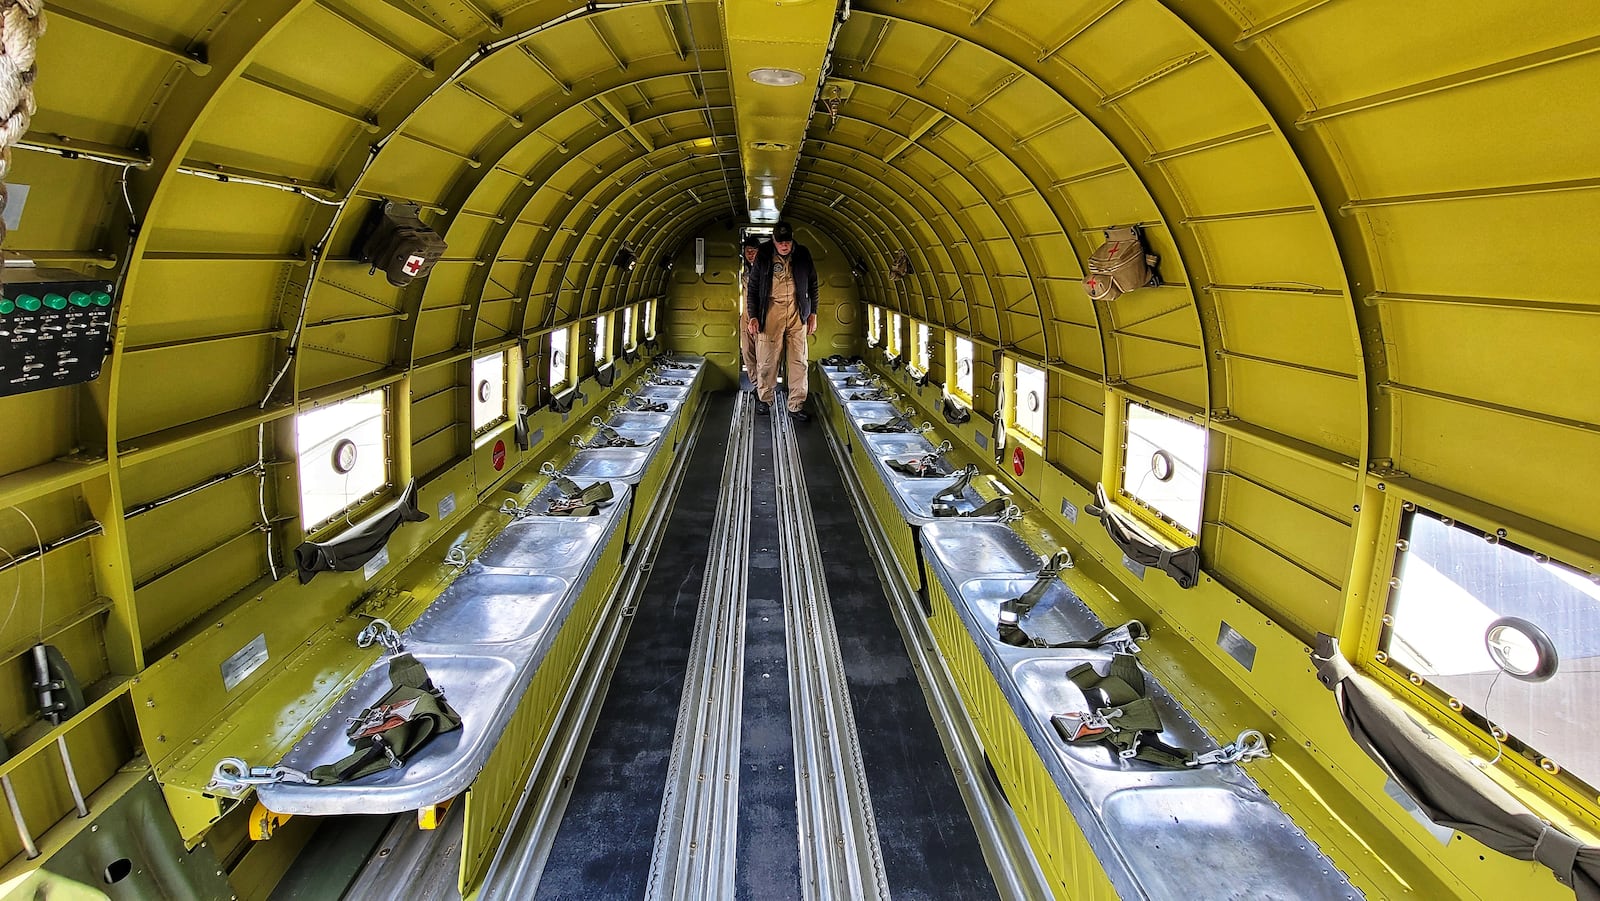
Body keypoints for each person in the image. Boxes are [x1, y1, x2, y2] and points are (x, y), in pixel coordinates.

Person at [746, 221, 818, 420]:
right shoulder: (764, 255)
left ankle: (796, 404)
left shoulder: (803, 254)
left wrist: (813, 313)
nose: (784, 246)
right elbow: (752, 289)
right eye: (780, 242)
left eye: (787, 242)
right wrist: (753, 316)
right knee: (767, 359)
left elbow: (813, 284)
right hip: (771, 310)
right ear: (774, 240)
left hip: (797, 310)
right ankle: (764, 399)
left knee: (799, 360)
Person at [737, 234, 761, 392]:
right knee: (747, 350)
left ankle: (765, 387)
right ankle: (756, 384)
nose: (750, 253)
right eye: (748, 250)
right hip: (746, 315)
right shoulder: (741, 270)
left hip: (763, 315)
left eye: (753, 250)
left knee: (764, 353)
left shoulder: (766, 269)